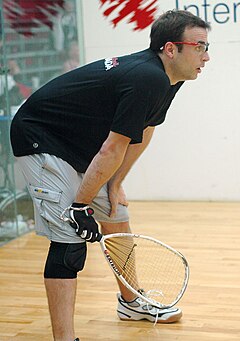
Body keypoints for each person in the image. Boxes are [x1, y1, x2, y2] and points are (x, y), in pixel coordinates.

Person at [10, 9, 211, 341]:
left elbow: (144, 132)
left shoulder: (168, 79)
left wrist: (115, 184)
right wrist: (80, 205)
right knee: (69, 240)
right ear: (171, 49)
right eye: (200, 46)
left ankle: (131, 303)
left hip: (76, 143)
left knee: (117, 213)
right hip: (40, 135)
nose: (207, 55)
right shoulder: (148, 76)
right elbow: (112, 148)